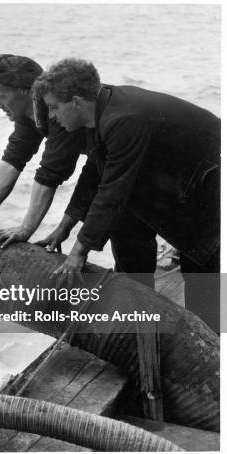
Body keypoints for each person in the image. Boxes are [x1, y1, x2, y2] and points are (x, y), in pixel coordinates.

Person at [32, 58, 220, 331]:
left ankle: (211, 352)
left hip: (211, 179)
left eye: (53, 107)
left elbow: (112, 190)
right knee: (136, 228)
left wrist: (79, 252)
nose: (51, 116)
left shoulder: (124, 119)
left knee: (203, 277)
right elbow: (95, 173)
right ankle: (147, 317)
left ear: (75, 102)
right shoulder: (100, 110)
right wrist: (64, 228)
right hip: (188, 178)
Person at [0, 54, 86, 247]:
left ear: (25, 91)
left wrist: (25, 229)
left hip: (139, 152)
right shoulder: (30, 110)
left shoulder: (60, 108)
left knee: (129, 237)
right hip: (108, 161)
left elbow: (50, 174)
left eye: (0, 97)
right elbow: (14, 157)